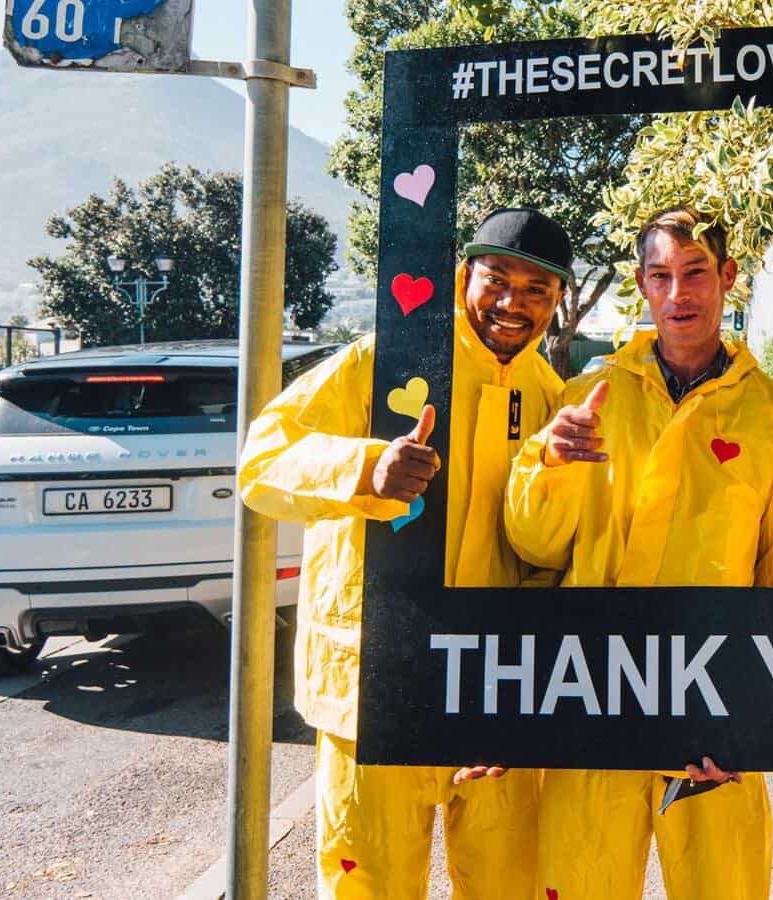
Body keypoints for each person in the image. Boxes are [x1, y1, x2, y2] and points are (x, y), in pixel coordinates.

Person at [237, 208, 573, 899]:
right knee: (373, 887)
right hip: (375, 689)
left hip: (491, 697)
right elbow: (262, 463)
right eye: (498, 279)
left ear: (558, 303)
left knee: (508, 885)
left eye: (538, 290)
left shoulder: (548, 397)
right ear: (462, 279)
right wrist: (366, 470)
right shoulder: (386, 357)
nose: (514, 303)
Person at [505, 204, 773, 900]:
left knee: (722, 886)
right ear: (640, 285)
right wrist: (548, 462)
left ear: (727, 276)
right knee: (579, 884)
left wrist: (755, 714)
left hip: (714, 701)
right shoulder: (586, 399)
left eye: (696, 272)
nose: (680, 294)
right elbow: (535, 545)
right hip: (594, 695)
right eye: (661, 275)